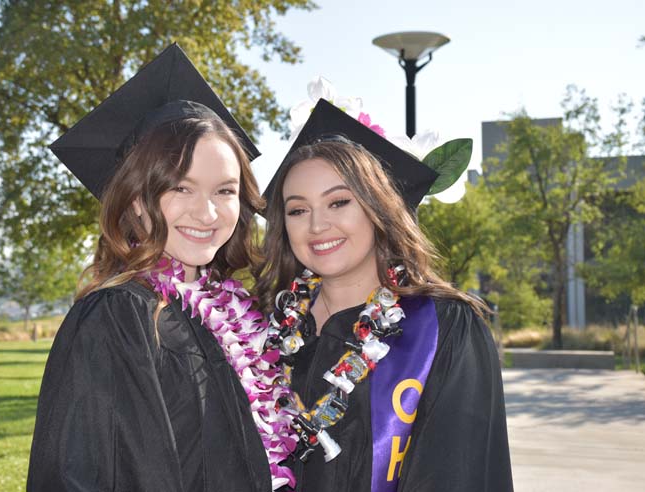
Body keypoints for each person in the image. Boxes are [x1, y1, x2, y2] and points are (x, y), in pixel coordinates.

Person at [27, 44, 295, 492]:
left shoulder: (238, 315)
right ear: (134, 198)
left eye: (225, 191)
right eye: (181, 188)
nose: (207, 213)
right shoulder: (118, 316)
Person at [257, 99, 513, 491]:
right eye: (297, 210)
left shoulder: (442, 328)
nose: (317, 224)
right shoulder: (264, 332)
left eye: (339, 202)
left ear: (378, 207)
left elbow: (457, 474)